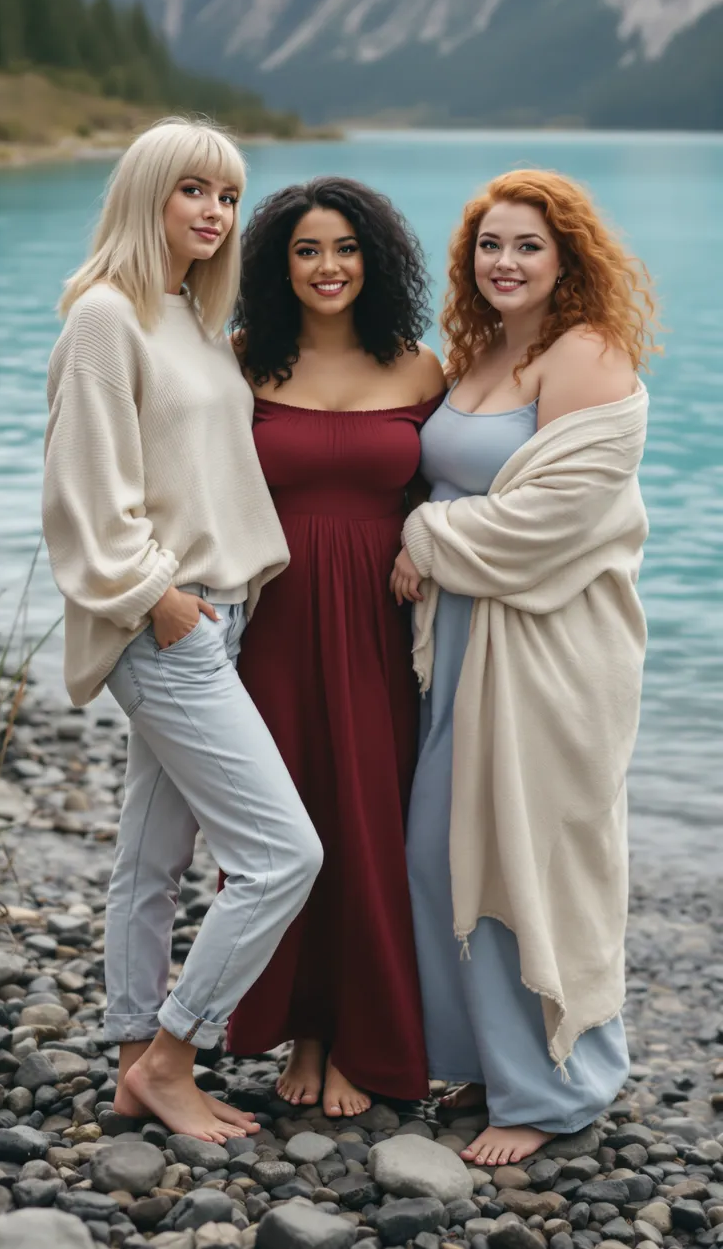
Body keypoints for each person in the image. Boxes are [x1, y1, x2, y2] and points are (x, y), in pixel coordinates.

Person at [42, 117, 323, 1144]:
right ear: (145, 193)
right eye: (191, 190)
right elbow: (83, 491)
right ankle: (174, 1049)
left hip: (216, 608)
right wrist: (158, 595)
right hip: (166, 616)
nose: (213, 211)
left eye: (228, 194)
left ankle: (130, 1062)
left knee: (151, 858)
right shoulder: (105, 318)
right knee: (283, 854)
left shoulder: (188, 317)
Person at [393, 169, 658, 1166]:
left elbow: (555, 519)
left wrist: (422, 532)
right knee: (438, 852)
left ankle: (551, 1086)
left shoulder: (584, 351)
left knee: (529, 855)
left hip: (550, 651)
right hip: (467, 644)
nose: (502, 263)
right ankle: (472, 1052)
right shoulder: (480, 353)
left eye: (526, 247)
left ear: (565, 260)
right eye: (488, 246)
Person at [225, 176, 445, 1115]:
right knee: (285, 820)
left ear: (375, 259)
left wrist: (434, 546)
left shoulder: (420, 367)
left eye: (347, 248)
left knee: (371, 820)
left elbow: (458, 488)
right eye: (308, 249)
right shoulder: (243, 360)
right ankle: (301, 1028)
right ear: (281, 263)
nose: (329, 267)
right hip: (273, 615)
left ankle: (364, 1035)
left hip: (381, 620)